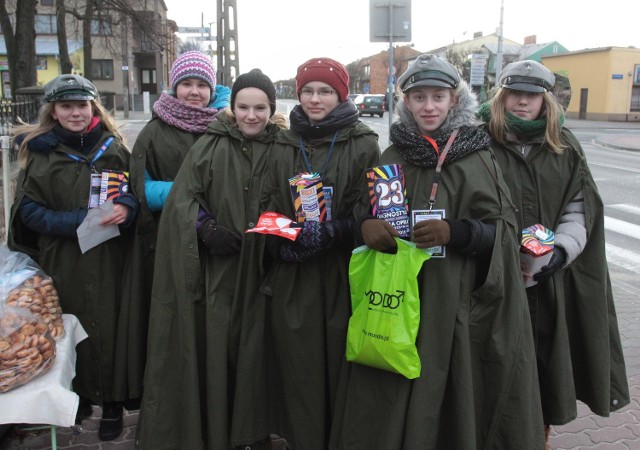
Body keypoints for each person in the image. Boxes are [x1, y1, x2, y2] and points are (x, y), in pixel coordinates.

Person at [329, 54, 544, 449]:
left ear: (453, 100)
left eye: (438, 97)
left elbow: (503, 233)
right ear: (406, 103)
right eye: (419, 97)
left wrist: (459, 232)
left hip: (452, 298)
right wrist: (367, 226)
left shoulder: (478, 155)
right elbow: (367, 212)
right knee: (394, 388)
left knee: (449, 389)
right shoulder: (393, 155)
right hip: (398, 297)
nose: (429, 106)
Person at [477, 60, 629, 447]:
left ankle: (537, 439)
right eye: (514, 93)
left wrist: (559, 253)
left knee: (544, 371)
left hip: (546, 282)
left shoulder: (565, 145)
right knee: (491, 372)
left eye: (531, 95)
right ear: (501, 96)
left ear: (545, 100)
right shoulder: (477, 141)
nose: (522, 102)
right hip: (492, 280)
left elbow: (579, 210)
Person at [135, 69, 287, 450]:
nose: (251, 115)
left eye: (260, 108)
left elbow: (298, 198)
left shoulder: (285, 147)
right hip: (219, 271)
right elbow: (185, 198)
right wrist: (205, 229)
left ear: (271, 108)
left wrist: (278, 233)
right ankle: (220, 430)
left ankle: (255, 430)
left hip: (266, 271)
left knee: (258, 353)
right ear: (231, 107)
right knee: (220, 350)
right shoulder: (211, 145)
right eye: (243, 107)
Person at [8, 74, 140, 441]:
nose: (76, 113)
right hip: (64, 256)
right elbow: (28, 212)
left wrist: (128, 208)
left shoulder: (113, 148)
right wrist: (75, 222)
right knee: (70, 325)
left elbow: (135, 191)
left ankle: (112, 402)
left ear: (93, 106)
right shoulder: (40, 152)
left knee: (111, 326)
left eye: (82, 105)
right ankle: (79, 397)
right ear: (53, 111)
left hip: (111, 255)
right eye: (67, 106)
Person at [259, 57, 380, 449]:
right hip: (294, 273)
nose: (315, 99)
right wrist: (281, 239)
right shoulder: (281, 141)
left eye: (325, 91)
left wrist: (334, 231)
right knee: (299, 365)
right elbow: (269, 199)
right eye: (308, 90)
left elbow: (370, 209)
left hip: (343, 271)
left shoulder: (362, 143)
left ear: (340, 94)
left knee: (339, 362)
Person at [119, 50, 231, 411]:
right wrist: (184, 195)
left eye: (201, 84)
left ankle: (214, 394)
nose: (194, 92)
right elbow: (141, 186)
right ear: (174, 86)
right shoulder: (154, 131)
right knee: (176, 319)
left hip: (218, 238)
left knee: (214, 321)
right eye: (186, 84)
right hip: (169, 239)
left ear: (212, 89)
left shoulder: (227, 126)